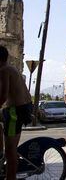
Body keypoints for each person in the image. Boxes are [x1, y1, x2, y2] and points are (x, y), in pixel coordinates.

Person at [0, 46, 32, 180]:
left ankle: (10, 177)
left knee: (10, 150)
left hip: (15, 111)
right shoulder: (12, 69)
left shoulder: (3, 70)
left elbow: (3, 95)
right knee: (11, 147)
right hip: (23, 107)